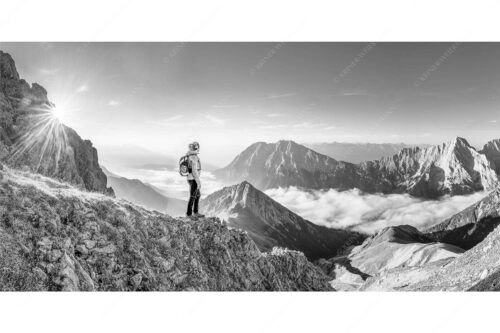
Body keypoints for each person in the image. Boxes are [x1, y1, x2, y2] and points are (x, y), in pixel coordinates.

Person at [186, 141, 204, 218]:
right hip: (193, 179)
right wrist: (198, 182)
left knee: (197, 195)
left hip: (190, 178)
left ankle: (195, 212)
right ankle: (189, 214)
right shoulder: (194, 157)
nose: (198, 149)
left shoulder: (190, 155)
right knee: (193, 196)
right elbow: (194, 171)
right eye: (197, 147)